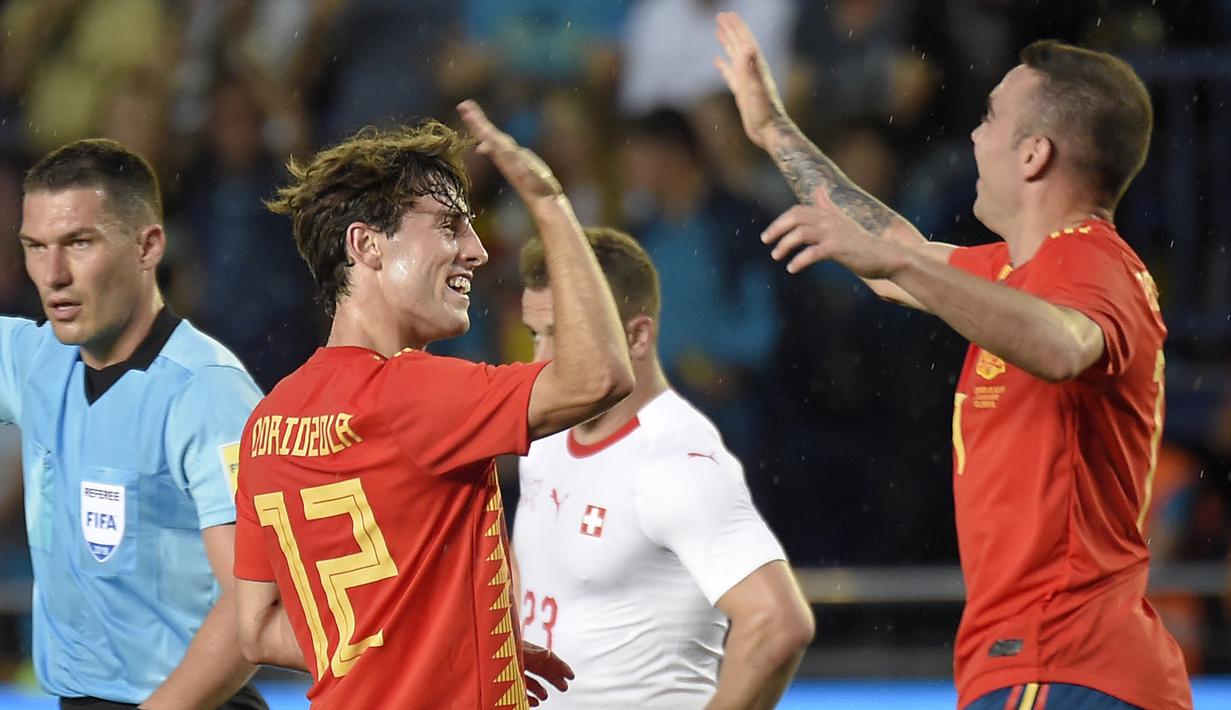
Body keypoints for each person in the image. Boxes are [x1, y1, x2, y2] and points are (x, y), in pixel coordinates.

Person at [715, 11, 1192, 710]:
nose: (973, 134)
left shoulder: (1092, 264)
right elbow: (886, 256)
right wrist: (771, 131)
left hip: (1061, 663)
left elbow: (1062, 345)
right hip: (1050, 666)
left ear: (1033, 154)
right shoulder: (1014, 272)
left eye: (992, 118)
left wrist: (901, 260)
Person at [232, 101, 634, 710]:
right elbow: (601, 374)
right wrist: (550, 203)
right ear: (366, 246)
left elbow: (257, 628)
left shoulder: (267, 423)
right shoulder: (413, 392)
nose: (474, 251)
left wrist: (451, 642)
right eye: (449, 226)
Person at [1, 139, 265, 708]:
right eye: (35, 246)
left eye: (78, 243)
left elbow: (255, 601)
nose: (53, 274)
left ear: (147, 246)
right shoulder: (33, 361)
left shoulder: (208, 392)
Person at [514, 226, 814, 709]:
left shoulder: (675, 459)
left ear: (636, 336)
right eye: (535, 335)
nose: (541, 361)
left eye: (562, 337)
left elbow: (778, 623)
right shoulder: (544, 440)